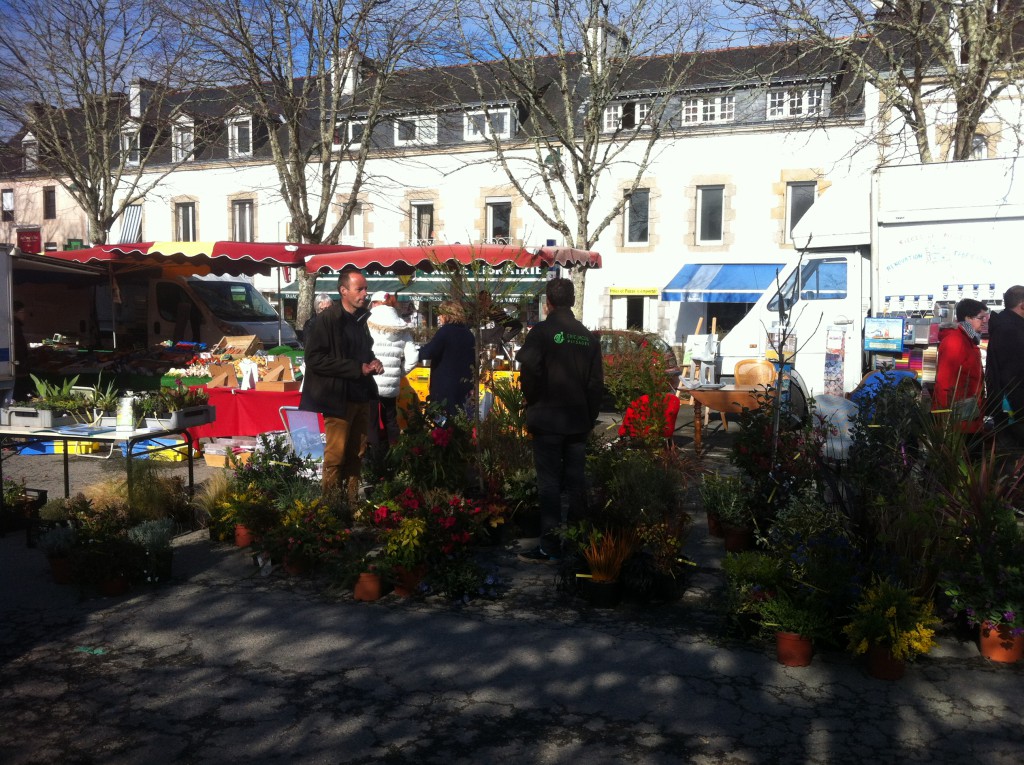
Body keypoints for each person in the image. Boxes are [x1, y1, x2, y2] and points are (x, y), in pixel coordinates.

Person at [515, 277, 603, 563]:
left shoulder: (541, 332)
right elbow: (595, 384)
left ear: (548, 302)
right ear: (573, 301)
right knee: (577, 482)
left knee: (550, 483)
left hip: (548, 417)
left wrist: (532, 397)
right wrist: (590, 416)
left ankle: (550, 545)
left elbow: (528, 368)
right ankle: (578, 543)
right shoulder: (587, 337)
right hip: (577, 419)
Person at [299, 270, 383, 505]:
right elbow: (314, 359)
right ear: (343, 291)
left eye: (365, 289)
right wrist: (357, 368)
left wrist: (373, 362)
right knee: (336, 455)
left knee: (358, 451)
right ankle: (331, 507)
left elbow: (363, 353)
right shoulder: (328, 319)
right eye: (360, 289)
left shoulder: (360, 319)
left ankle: (352, 502)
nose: (365, 294)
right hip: (338, 397)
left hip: (360, 394)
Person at [366, 290, 418, 451]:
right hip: (392, 381)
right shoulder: (401, 324)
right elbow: (413, 357)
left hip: (370, 378)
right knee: (391, 420)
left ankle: (374, 461)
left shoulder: (367, 321)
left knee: (371, 422)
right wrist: (399, 372)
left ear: (375, 303)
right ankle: (395, 456)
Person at [932, 298, 987, 434]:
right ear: (968, 318)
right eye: (981, 318)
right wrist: (944, 416)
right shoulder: (955, 341)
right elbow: (944, 382)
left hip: (969, 414)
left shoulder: (969, 339)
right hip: (958, 420)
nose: (985, 321)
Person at [418, 300, 476, 418]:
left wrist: (416, 354)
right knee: (461, 417)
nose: (439, 317)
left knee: (442, 420)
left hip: (445, 384)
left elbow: (429, 352)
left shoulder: (445, 331)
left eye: (440, 314)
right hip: (464, 384)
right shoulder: (468, 333)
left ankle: (443, 435)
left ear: (447, 315)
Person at [986, 285, 1024, 447]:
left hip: (1009, 406)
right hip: (1013, 410)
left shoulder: (1008, 326)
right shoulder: (1010, 330)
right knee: (1012, 462)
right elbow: (1012, 375)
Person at [476, 289, 523, 359]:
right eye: (481, 300)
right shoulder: (475, 316)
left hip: (496, 352)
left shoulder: (498, 315)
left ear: (490, 301)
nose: (484, 302)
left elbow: (517, 325)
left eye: (486, 300)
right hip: (478, 352)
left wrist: (503, 339)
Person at [12, 300, 31, 401]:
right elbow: (19, 348)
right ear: (15, 312)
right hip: (19, 370)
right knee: (21, 397)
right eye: (22, 312)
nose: (24, 315)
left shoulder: (13, 326)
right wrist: (23, 364)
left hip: (17, 368)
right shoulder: (15, 327)